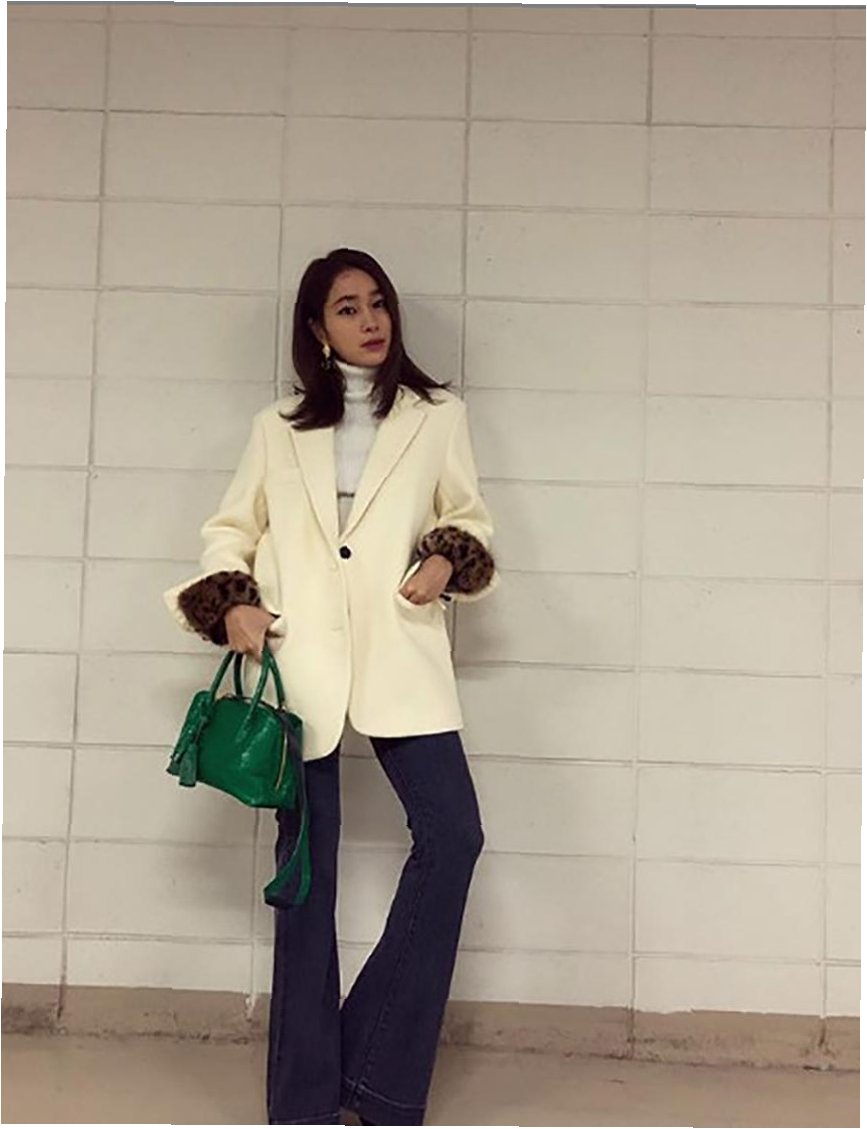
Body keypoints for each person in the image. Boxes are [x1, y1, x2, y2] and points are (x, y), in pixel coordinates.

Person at [163, 247, 500, 1126]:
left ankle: (378, 1076)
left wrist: (446, 558)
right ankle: (304, 1103)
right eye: (347, 308)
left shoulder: (437, 417)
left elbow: (466, 515)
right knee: (305, 881)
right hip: (298, 661)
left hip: (399, 652)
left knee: (453, 836)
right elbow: (228, 530)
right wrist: (233, 601)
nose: (369, 319)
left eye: (377, 302)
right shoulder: (277, 427)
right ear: (317, 329)